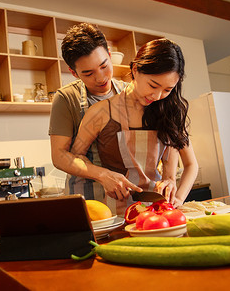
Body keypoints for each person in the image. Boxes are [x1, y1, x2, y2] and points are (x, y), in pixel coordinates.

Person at [49, 23, 178, 213]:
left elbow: (169, 140)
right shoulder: (67, 98)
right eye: (88, 73)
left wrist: (169, 176)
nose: (100, 77)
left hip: (127, 198)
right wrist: (101, 174)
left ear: (109, 54)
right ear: (74, 72)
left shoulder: (132, 92)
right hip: (87, 198)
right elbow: (59, 155)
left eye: (104, 66)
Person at [70, 38, 198, 214]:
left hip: (158, 210)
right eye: (153, 85)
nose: (157, 95)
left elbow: (191, 165)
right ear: (135, 70)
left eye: (168, 90)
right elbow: (75, 156)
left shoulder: (169, 111)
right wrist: (102, 175)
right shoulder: (101, 112)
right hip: (116, 212)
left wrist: (177, 197)